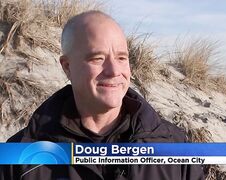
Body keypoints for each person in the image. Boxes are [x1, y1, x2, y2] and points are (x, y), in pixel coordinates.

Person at [0, 11, 204, 180]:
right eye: (98, 58)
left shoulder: (175, 147)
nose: (114, 70)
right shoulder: (20, 157)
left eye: (122, 57)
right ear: (67, 67)